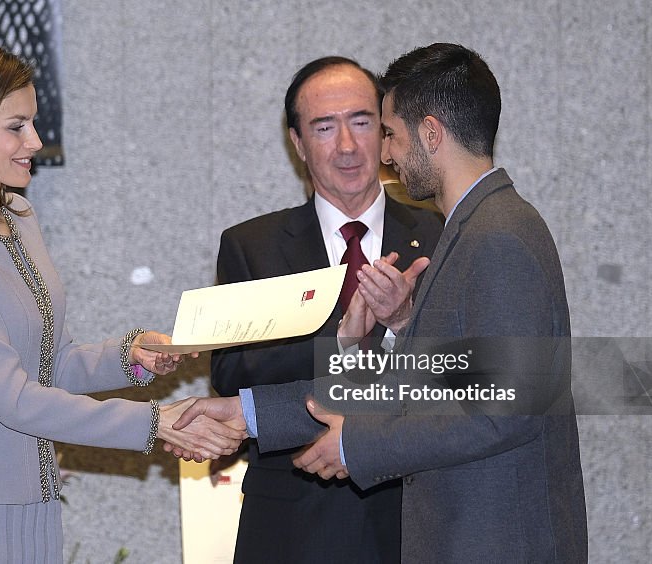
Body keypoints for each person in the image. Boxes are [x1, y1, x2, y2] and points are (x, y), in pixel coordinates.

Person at [176, 43, 588, 562]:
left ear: (431, 134)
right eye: (326, 127)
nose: (379, 152)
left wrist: (355, 444)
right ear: (298, 142)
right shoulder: (479, 228)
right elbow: (437, 379)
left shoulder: (495, 234)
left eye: (383, 130)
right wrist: (249, 411)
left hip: (489, 536)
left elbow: (503, 410)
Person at [0, 41, 244, 562]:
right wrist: (155, 422)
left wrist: (128, 356)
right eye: (16, 126)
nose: (36, 141)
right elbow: (14, 398)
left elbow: (51, 365)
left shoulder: (19, 216)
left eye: (34, 123)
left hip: (36, 502)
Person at [209, 56, 442, 563]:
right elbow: (229, 372)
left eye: (361, 122)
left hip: (413, 517)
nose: (346, 145)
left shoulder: (442, 236)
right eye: (323, 127)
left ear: (384, 133)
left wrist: (403, 326)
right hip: (291, 520)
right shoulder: (253, 246)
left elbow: (469, 371)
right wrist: (336, 343)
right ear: (297, 144)